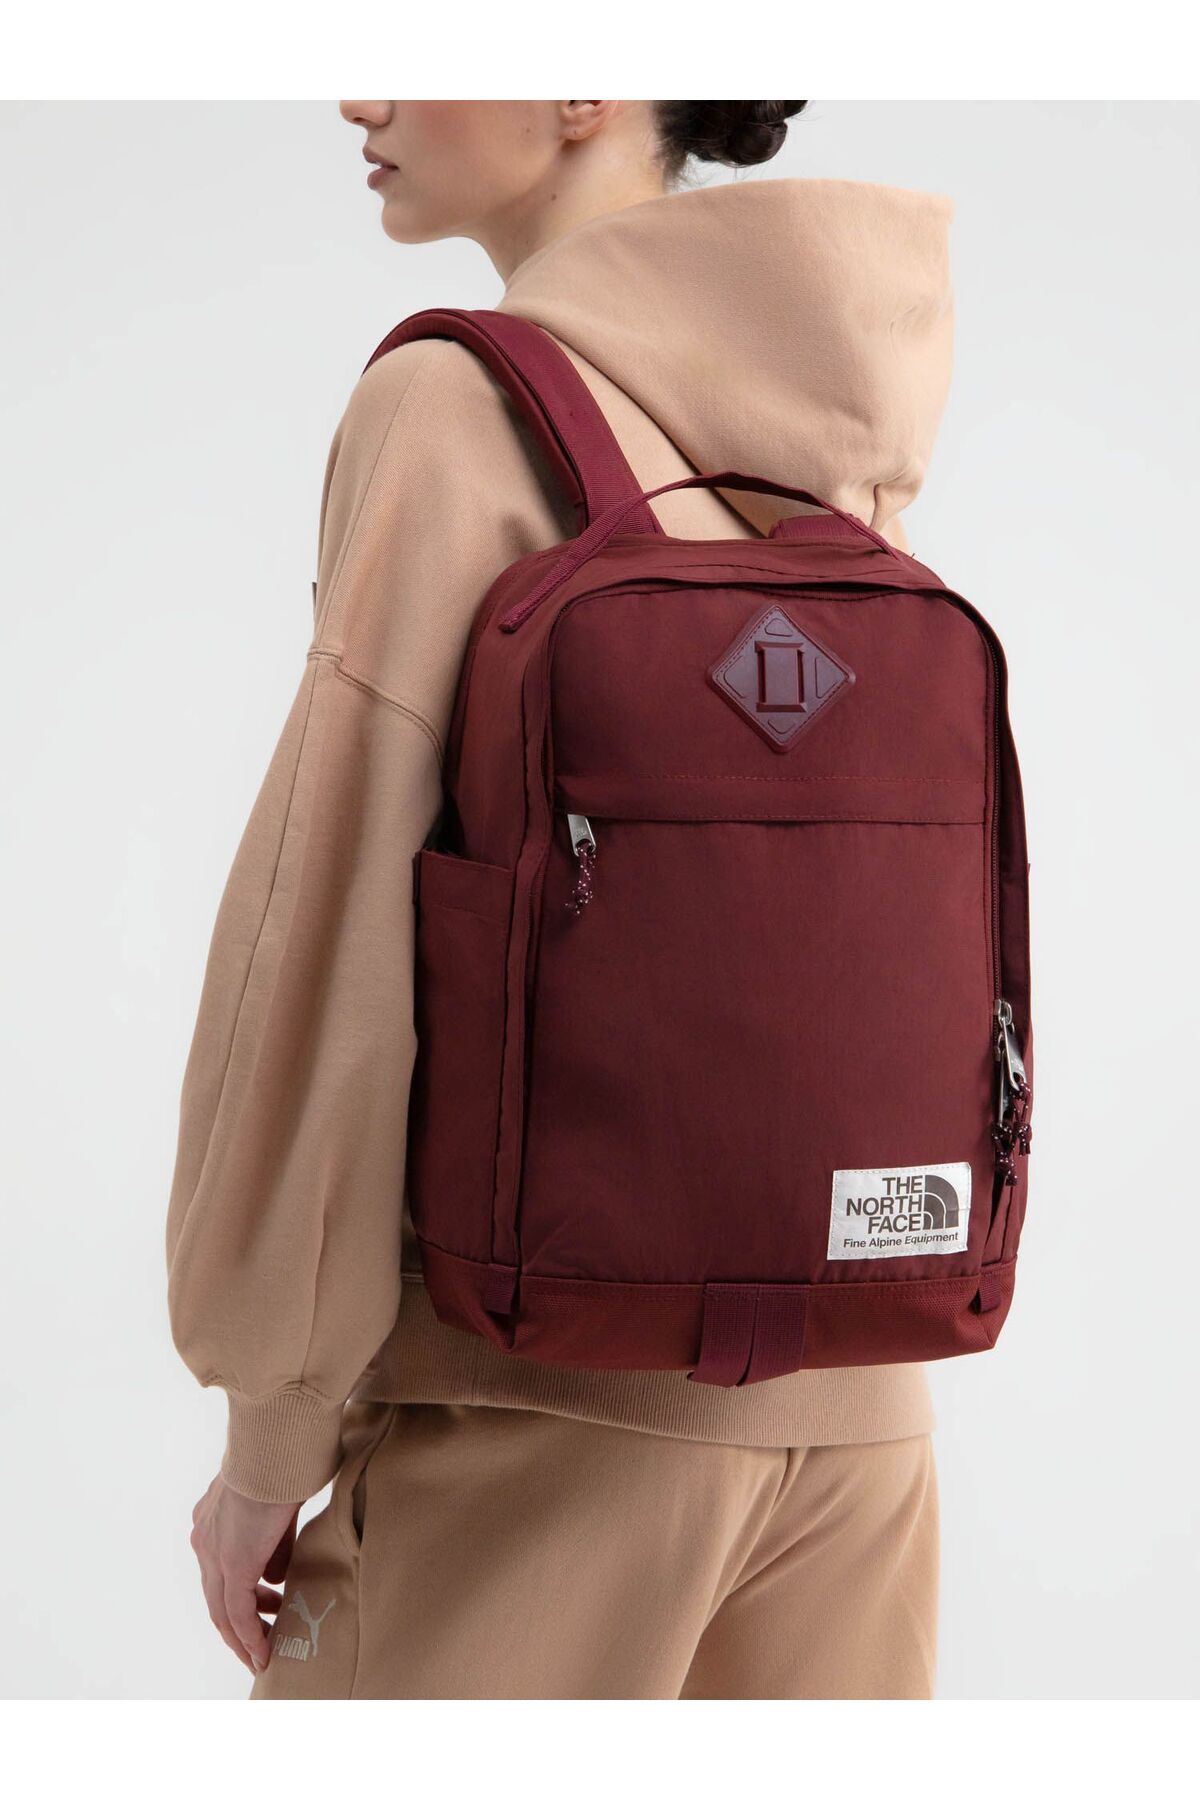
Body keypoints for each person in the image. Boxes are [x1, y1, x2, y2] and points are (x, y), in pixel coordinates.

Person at [168, 100, 952, 1700]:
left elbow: (328, 918)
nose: (364, 95)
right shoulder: (844, 401)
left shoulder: (452, 405)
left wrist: (272, 1421)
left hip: (530, 1425)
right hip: (865, 1436)